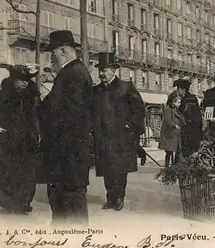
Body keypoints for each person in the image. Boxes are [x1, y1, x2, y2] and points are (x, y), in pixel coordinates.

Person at [38, 30, 93, 226]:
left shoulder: (72, 74)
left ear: (62, 51)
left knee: (69, 210)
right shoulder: (75, 72)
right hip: (69, 156)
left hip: (67, 156)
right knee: (67, 208)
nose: (50, 57)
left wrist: (43, 103)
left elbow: (69, 116)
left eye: (52, 52)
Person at [0, 64, 41, 214]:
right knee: (11, 170)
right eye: (22, 80)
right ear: (14, 79)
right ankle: (14, 201)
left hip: (28, 139)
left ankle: (25, 201)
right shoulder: (3, 95)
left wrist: (38, 133)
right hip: (9, 139)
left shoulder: (31, 95)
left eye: (27, 80)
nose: (25, 83)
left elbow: (36, 115)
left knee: (28, 172)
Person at [92, 52, 146, 211]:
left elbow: (139, 109)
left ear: (113, 70)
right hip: (103, 137)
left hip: (122, 137)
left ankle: (119, 197)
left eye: (105, 70)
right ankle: (110, 198)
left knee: (120, 170)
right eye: (100, 70)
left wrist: (131, 126)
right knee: (107, 169)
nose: (102, 73)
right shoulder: (96, 90)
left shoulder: (125, 86)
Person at [172, 78, 203, 159]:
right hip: (194, 131)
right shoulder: (193, 98)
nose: (177, 91)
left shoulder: (181, 100)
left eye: (178, 89)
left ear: (182, 89)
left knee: (183, 155)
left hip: (185, 132)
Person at [159, 94, 186, 167]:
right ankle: (167, 167)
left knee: (176, 151)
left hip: (175, 134)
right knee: (169, 152)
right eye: (178, 102)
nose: (179, 104)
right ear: (173, 102)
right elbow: (167, 120)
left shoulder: (176, 110)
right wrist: (174, 125)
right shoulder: (168, 109)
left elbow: (181, 119)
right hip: (169, 134)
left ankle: (174, 166)